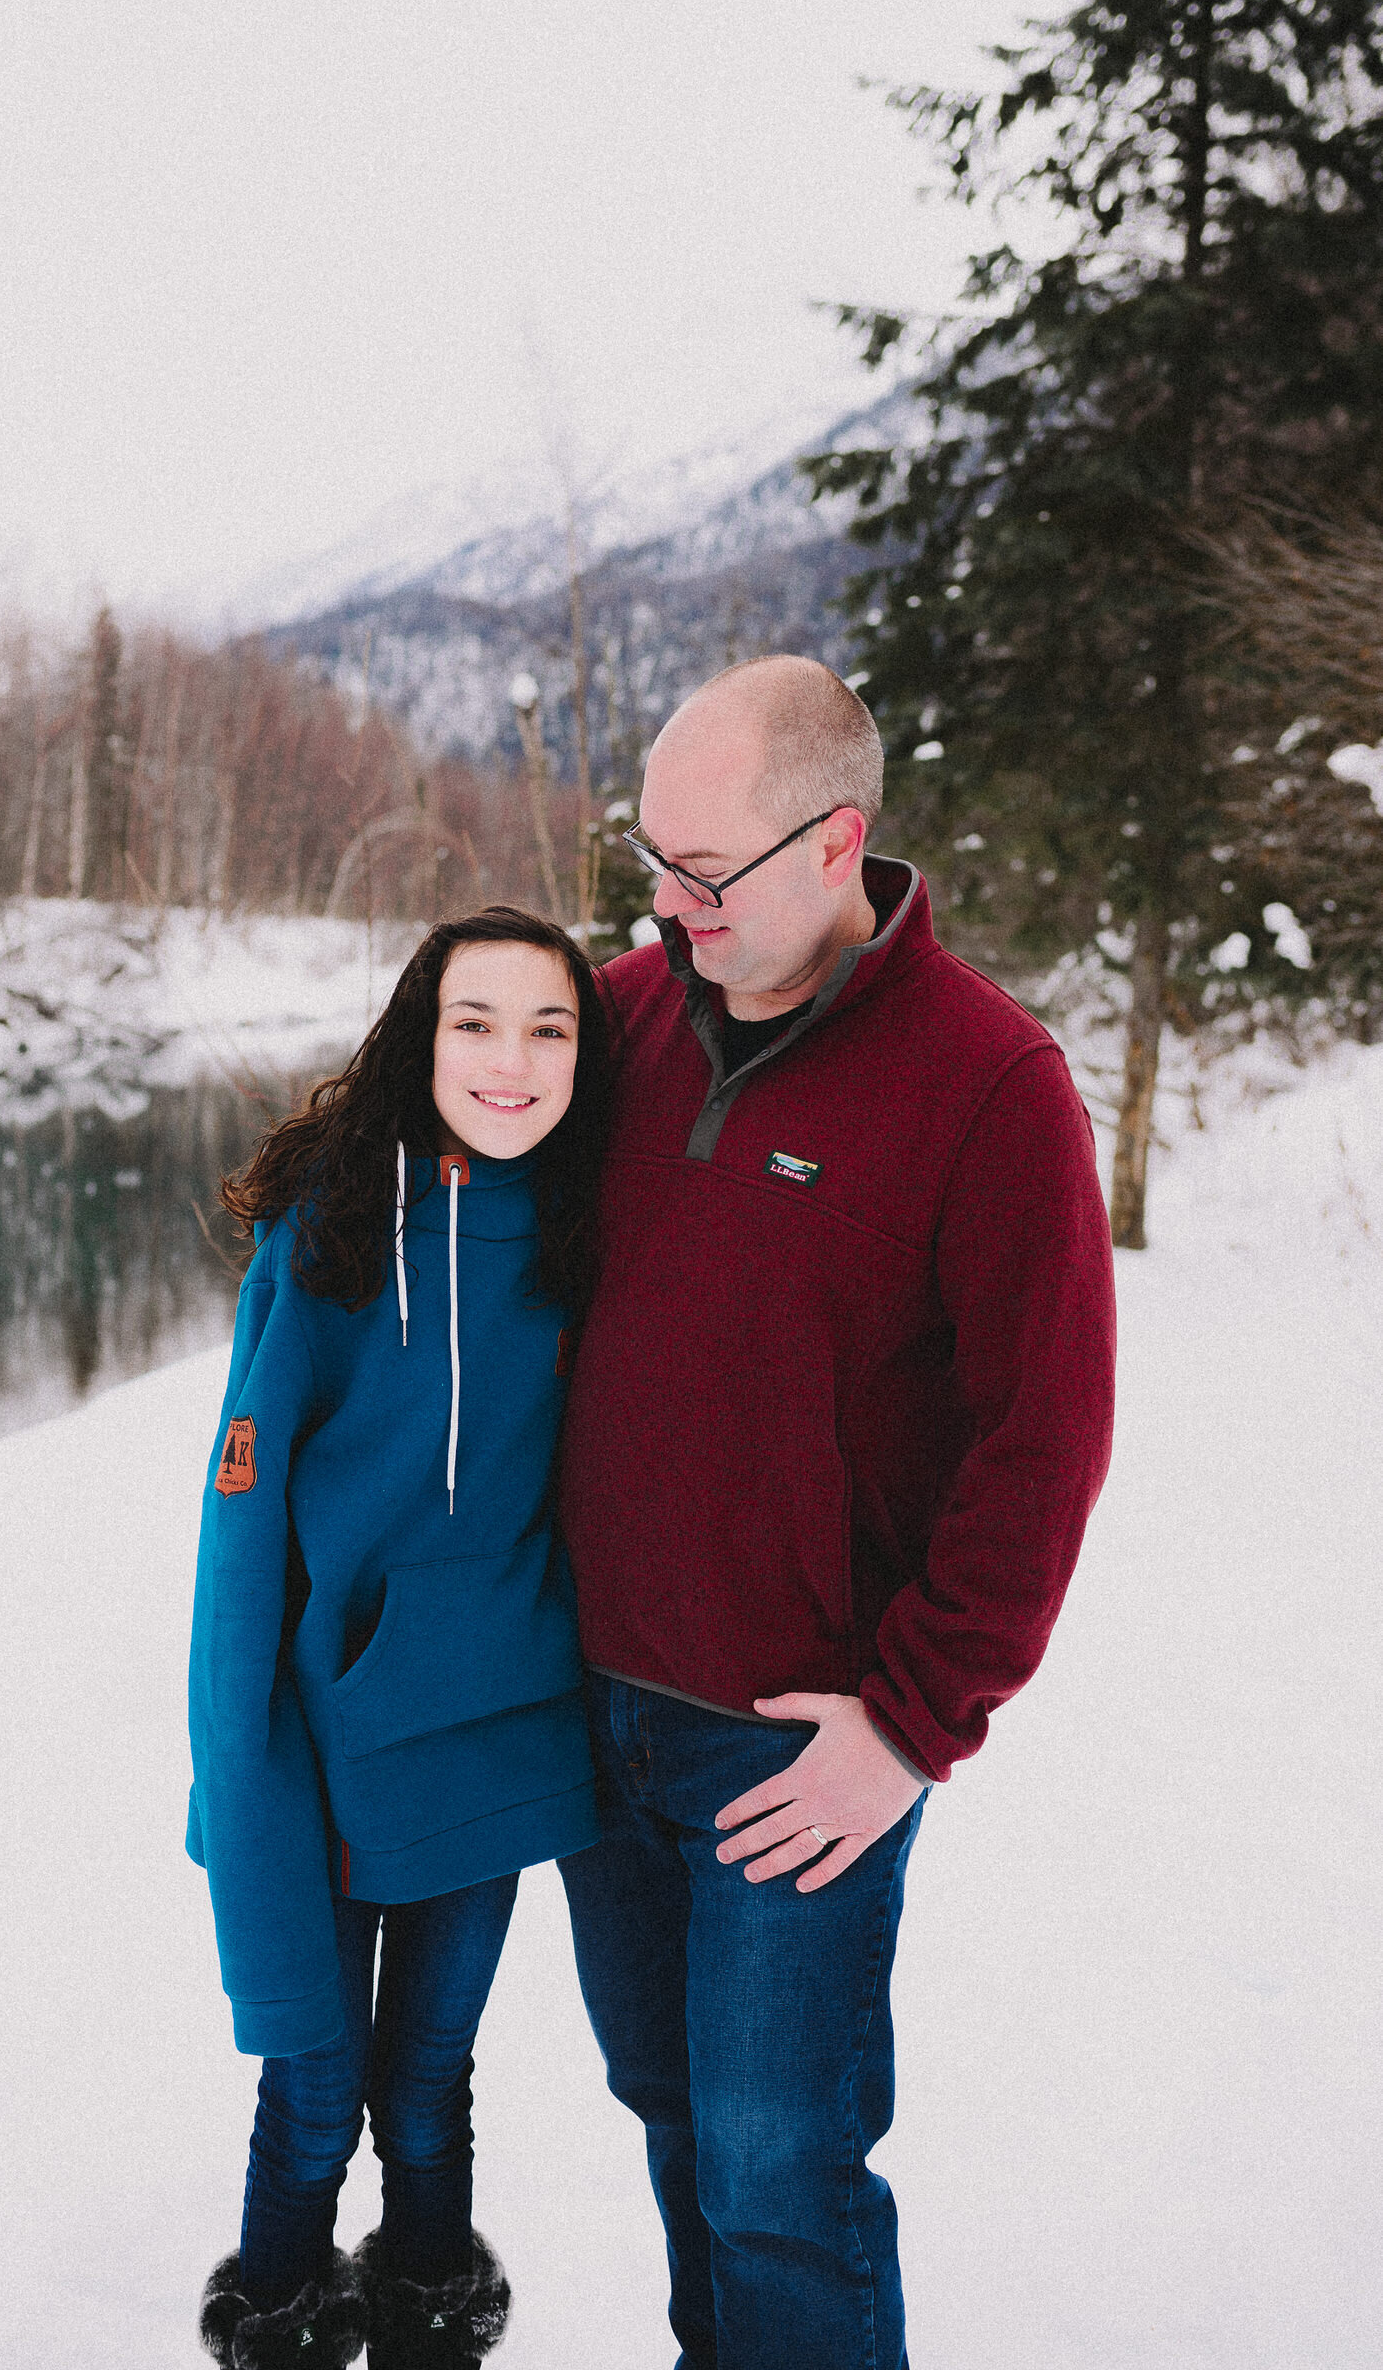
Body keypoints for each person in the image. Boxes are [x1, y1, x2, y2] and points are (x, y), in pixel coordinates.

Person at [556, 657, 1118, 2370]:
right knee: (665, 2112)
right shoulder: (623, 1020)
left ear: (836, 844)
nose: (665, 905)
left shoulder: (988, 1084)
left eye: (701, 874)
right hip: (595, 1712)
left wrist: (914, 1723)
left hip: (795, 1754)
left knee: (778, 2174)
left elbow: (1046, 1437)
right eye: (646, 859)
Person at [185, 905, 612, 2370]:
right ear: (416, 1039)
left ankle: (434, 2324)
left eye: (547, 1028)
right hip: (315, 1752)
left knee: (426, 2087)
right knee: (312, 2086)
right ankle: (284, 2324)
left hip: (490, 1741)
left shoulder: (585, 1230)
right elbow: (238, 1542)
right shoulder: (328, 1237)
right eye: (473, 1023)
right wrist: (236, 1765)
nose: (510, 1060)